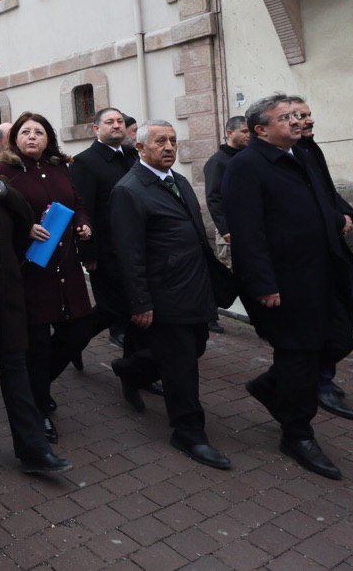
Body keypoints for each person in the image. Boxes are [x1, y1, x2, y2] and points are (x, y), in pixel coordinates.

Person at [222, 93, 353, 481]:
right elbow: (247, 233)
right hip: (283, 280)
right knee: (299, 356)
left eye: (298, 115)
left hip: (322, 272)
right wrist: (263, 283)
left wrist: (341, 215)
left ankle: (269, 385)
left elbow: (323, 198)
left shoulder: (306, 154)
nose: (297, 121)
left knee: (340, 338)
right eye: (286, 118)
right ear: (260, 130)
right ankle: (297, 434)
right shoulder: (246, 166)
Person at [109, 120, 235, 470]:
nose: (169, 147)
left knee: (194, 346)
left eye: (173, 141)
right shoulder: (129, 189)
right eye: (160, 141)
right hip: (164, 292)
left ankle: (131, 370)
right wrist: (140, 301)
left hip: (193, 286)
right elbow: (128, 252)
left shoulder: (178, 181)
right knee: (181, 364)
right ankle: (189, 432)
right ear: (141, 148)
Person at [0, 117, 71, 475]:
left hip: (7, 290)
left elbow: (25, 220)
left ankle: (33, 449)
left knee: (16, 371)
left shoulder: (1, 180)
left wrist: (4, 192)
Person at [0, 112, 92, 446]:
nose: (33, 137)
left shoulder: (59, 167)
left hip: (65, 267)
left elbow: (76, 202)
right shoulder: (3, 172)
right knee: (35, 346)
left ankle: (37, 386)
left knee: (77, 331)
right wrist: (25, 231)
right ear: (15, 139)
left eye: (39, 132)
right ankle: (38, 410)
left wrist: (82, 222)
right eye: (26, 132)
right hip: (30, 272)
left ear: (48, 137)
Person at [290, 97, 353, 420]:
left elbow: (326, 191)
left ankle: (316, 370)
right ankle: (318, 378)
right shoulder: (279, 158)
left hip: (334, 253)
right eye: (299, 116)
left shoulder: (310, 148)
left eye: (309, 115)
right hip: (310, 257)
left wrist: (346, 212)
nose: (308, 121)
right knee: (336, 323)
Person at [69, 107, 138, 358]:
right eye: (109, 122)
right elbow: (82, 208)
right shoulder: (85, 162)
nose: (117, 125)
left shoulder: (132, 156)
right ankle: (70, 343)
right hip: (106, 252)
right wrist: (88, 253)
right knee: (112, 309)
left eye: (120, 121)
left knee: (132, 308)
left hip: (134, 248)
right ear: (96, 129)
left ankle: (133, 369)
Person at [202, 115, 248, 270]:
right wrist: (225, 229)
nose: (249, 135)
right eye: (244, 131)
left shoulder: (248, 157)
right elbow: (213, 197)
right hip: (229, 229)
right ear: (230, 133)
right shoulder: (217, 162)